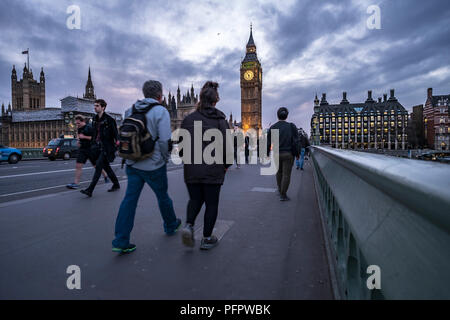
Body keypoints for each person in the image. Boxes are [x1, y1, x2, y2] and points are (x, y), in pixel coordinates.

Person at [112, 80, 181, 254]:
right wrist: (164, 158)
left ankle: (120, 240)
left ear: (144, 94)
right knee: (163, 196)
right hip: (153, 165)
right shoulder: (161, 111)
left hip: (132, 163)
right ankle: (171, 224)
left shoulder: (130, 109)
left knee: (129, 200)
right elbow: (165, 140)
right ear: (160, 96)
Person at [180, 81, 232, 250]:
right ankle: (207, 238)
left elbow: (181, 150)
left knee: (195, 199)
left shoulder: (188, 119)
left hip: (192, 170)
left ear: (200, 98)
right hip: (213, 170)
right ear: (215, 101)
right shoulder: (220, 120)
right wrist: (225, 166)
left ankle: (188, 225)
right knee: (211, 204)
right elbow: (227, 149)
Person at [80, 99, 121, 197]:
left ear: (103, 107)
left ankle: (90, 190)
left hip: (107, 147)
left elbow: (116, 134)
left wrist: (117, 145)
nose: (95, 107)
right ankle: (116, 184)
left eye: (97, 106)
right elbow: (94, 133)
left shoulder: (110, 120)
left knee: (99, 166)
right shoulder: (94, 119)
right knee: (106, 167)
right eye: (94, 106)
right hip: (97, 147)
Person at [266, 107, 299, 201]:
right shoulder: (291, 126)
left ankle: (280, 190)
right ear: (287, 116)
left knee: (279, 173)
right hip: (288, 154)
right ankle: (283, 194)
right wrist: (297, 154)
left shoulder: (273, 127)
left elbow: (268, 142)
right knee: (286, 175)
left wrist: (267, 153)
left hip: (276, 153)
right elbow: (296, 141)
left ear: (277, 115)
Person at [66, 115, 108, 189]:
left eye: (78, 123)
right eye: (76, 123)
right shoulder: (79, 129)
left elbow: (94, 138)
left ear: (83, 121)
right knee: (78, 165)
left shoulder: (89, 127)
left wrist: (84, 137)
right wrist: (79, 141)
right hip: (82, 149)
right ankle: (76, 183)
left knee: (96, 166)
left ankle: (105, 176)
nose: (77, 125)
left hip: (91, 149)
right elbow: (80, 137)